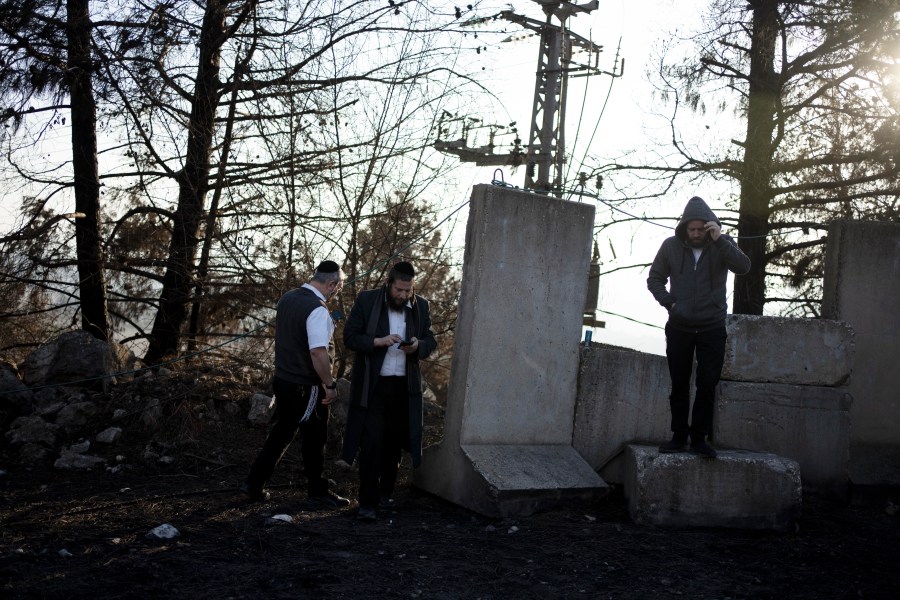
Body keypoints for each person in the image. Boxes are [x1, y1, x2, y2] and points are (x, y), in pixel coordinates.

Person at [239, 260, 350, 508]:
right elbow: (318, 353)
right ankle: (317, 491)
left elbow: (296, 334)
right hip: (306, 384)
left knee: (282, 432)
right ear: (331, 284)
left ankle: (253, 482)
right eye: (339, 287)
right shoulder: (317, 310)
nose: (338, 291)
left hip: (283, 379)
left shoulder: (288, 298)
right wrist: (329, 385)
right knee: (315, 437)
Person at [647, 196, 751, 458]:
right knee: (679, 384)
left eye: (700, 229)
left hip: (712, 327)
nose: (695, 234)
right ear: (684, 228)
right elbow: (655, 278)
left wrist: (720, 240)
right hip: (679, 326)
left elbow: (743, 266)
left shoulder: (723, 245)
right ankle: (678, 436)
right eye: (691, 229)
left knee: (707, 384)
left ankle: (699, 440)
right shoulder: (670, 246)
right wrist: (670, 304)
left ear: (709, 227)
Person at [341, 261, 436, 522]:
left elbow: (431, 341)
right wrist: (378, 342)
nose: (403, 295)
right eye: (399, 290)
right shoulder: (367, 300)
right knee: (371, 443)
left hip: (405, 388)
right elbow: (349, 337)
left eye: (408, 290)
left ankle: (385, 493)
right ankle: (367, 503)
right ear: (388, 283)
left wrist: (417, 345)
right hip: (374, 386)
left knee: (394, 444)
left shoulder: (422, 306)